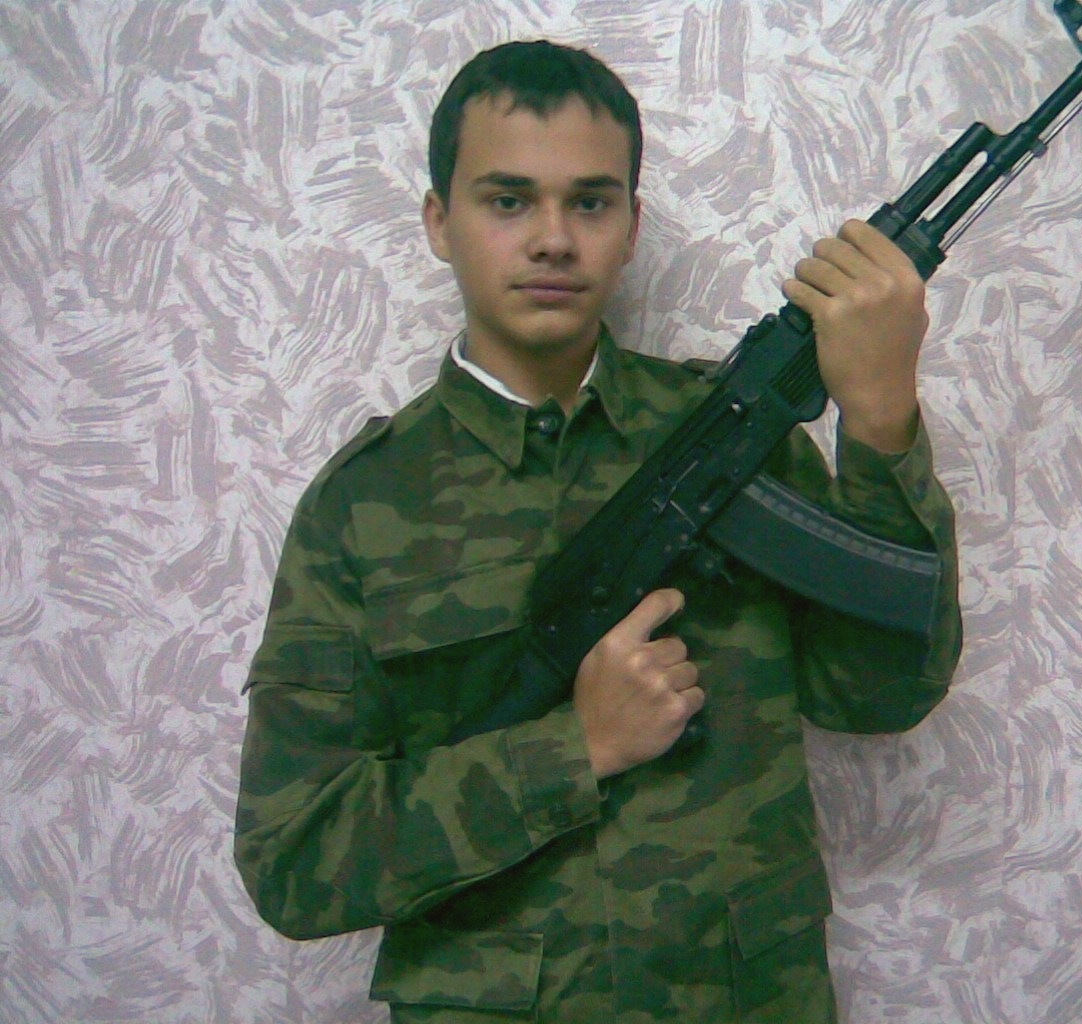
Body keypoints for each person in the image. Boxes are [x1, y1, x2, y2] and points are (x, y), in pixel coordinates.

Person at [234, 39, 961, 1023]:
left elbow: (877, 694)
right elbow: (294, 861)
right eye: (507, 200)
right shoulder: (360, 507)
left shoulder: (736, 438)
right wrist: (573, 747)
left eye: (589, 202)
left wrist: (878, 420)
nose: (552, 239)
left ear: (630, 227)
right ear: (439, 223)